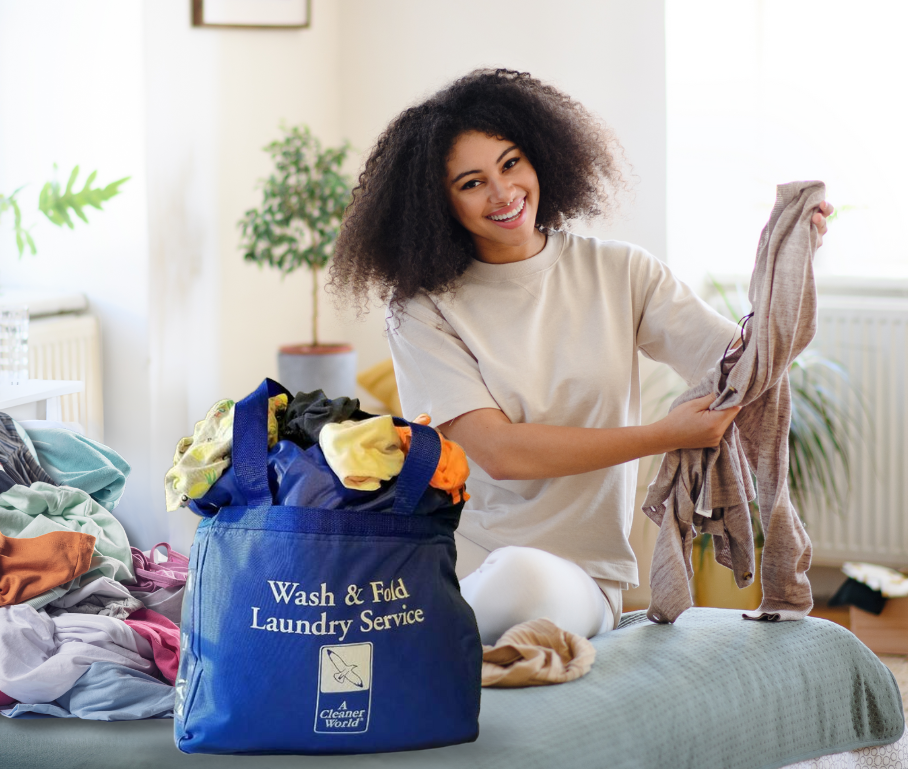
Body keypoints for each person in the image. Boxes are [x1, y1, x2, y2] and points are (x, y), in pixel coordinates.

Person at [329, 69, 832, 644]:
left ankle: (391, 648)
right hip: (459, 558)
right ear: (437, 203)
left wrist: (789, 262)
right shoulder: (423, 310)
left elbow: (743, 369)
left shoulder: (620, 271)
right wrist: (663, 434)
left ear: (542, 157)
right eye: (472, 183)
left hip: (577, 578)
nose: (503, 193)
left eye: (511, 163)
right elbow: (499, 452)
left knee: (521, 578)